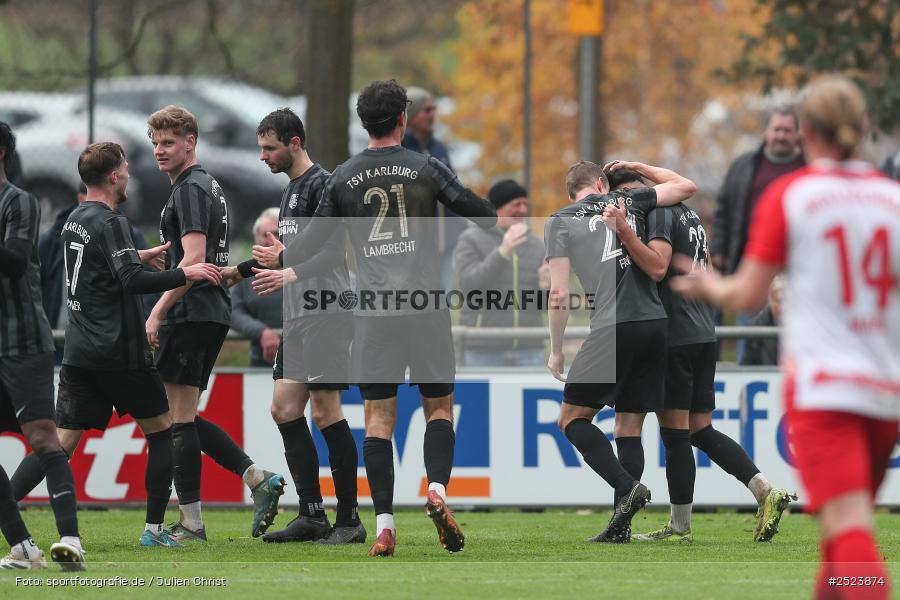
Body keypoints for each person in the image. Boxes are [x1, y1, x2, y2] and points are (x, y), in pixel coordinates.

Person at [673, 76, 899, 599]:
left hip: (826, 392)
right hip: (885, 390)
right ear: (864, 128)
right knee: (841, 534)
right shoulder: (892, 198)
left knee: (849, 533)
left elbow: (748, 292)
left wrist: (709, 284)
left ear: (804, 134)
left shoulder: (793, 195)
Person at [282, 80, 497, 557]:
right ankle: (436, 492)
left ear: (364, 123)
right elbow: (480, 213)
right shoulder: (425, 166)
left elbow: (312, 241)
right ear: (403, 118)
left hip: (373, 313)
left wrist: (278, 256)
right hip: (425, 306)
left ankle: (384, 526)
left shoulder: (342, 177)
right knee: (438, 408)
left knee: (378, 419)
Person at [9, 143, 222, 549]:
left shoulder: (75, 218)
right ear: (113, 176)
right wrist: (185, 273)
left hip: (79, 352)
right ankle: (153, 531)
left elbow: (100, 263)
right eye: (124, 168)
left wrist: (137, 254)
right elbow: (132, 281)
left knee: (58, 445)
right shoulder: (112, 221)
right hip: (120, 352)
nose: (128, 175)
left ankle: (4, 509)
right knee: (162, 432)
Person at [605, 167, 794, 543]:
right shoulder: (688, 214)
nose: (628, 203)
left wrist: (624, 232)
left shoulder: (658, 213)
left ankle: (679, 528)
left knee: (675, 433)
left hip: (675, 334)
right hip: (704, 332)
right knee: (699, 429)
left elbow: (658, 266)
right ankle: (764, 489)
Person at [225, 107, 364, 545]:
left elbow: (333, 253)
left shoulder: (323, 185)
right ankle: (312, 514)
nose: (262, 156)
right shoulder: (289, 191)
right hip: (300, 315)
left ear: (295, 143)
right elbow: (282, 255)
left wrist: (287, 269)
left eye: (269, 148)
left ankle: (350, 520)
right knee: (284, 408)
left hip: (326, 311)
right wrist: (236, 273)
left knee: (325, 412)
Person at [145, 105, 284, 542]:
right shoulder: (208, 185)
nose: (159, 150)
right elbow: (200, 260)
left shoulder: (190, 188)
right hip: (210, 309)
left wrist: (157, 309)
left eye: (169, 142)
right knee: (181, 415)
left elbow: (193, 260)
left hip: (192, 310)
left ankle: (192, 522)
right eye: (155, 143)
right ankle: (255, 477)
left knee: (177, 419)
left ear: (191, 142)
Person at [545, 159, 696, 543]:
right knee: (628, 425)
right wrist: (638, 166)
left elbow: (559, 294)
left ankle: (627, 487)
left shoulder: (560, 220)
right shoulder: (631, 200)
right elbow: (685, 186)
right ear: (601, 183)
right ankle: (620, 528)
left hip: (613, 327)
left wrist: (556, 349)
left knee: (571, 419)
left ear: (572, 193)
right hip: (654, 324)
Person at [0, 121, 82, 570]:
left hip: (22, 341)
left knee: (43, 439)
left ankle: (71, 540)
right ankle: (23, 548)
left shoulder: (19, 202)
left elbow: (14, 260)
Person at [711, 107, 804, 360]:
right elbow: (724, 209)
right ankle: (748, 374)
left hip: (799, 269)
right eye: (776, 129)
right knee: (751, 331)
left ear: (798, 134)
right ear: (767, 132)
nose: (781, 135)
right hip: (754, 266)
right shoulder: (744, 165)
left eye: (787, 130)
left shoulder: (808, 167)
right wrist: (718, 249)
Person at [39, 183, 157, 356]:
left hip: (109, 340)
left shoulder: (128, 234)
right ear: (80, 199)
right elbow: (35, 284)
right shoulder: (53, 238)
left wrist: (142, 321)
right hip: (59, 338)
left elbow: (146, 283)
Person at [453, 179, 547, 367]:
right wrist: (502, 252)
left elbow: (543, 306)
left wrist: (547, 287)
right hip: (482, 350)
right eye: (516, 204)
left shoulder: (537, 244)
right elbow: (469, 284)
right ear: (497, 207)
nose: (523, 210)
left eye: (525, 204)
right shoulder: (470, 239)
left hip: (529, 350)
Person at [401, 86, 465, 290]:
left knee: (444, 298)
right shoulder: (400, 150)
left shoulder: (438, 147)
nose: (433, 115)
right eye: (427, 110)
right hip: (413, 245)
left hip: (445, 242)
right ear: (411, 115)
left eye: (434, 109)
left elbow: (453, 188)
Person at [229, 207, 282, 367]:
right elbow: (232, 311)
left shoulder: (303, 268)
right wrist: (261, 332)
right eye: (265, 234)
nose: (272, 240)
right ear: (255, 239)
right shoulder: (244, 273)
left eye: (278, 234)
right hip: (261, 363)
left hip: (306, 364)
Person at [740, 275, 784, 367]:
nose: (781, 307)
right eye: (777, 301)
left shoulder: (804, 327)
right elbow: (745, 367)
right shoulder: (754, 328)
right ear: (770, 301)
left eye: (784, 301)